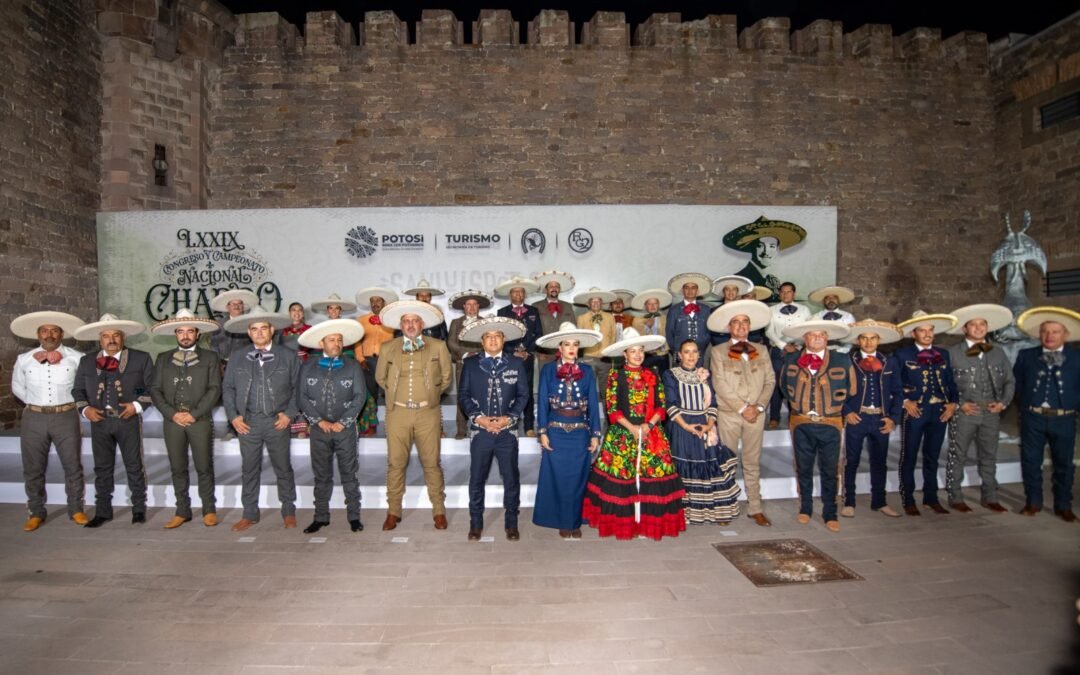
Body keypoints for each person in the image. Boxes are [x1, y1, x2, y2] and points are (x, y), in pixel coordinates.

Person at [582, 327, 686, 540]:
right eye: (633, 351)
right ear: (625, 354)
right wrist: (633, 429)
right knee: (623, 478)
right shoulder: (616, 375)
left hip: (651, 433)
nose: (638, 355)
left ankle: (647, 523)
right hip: (623, 434)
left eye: (640, 350)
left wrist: (648, 426)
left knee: (653, 476)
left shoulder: (653, 374)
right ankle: (628, 523)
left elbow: (661, 405)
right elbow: (612, 407)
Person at [375, 300, 453, 531]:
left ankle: (439, 511)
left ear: (422, 324)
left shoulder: (438, 346)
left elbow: (447, 378)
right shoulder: (388, 347)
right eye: (406, 321)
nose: (410, 325)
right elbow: (380, 378)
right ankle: (393, 512)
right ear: (401, 324)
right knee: (395, 464)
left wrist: (430, 396)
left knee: (432, 463)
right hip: (397, 413)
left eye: (414, 320)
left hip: (427, 413)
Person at [221, 306, 299, 531]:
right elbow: (228, 389)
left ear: (272, 329)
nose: (259, 333)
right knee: (249, 468)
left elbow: (298, 388)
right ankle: (249, 513)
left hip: (277, 421)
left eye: (263, 328)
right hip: (248, 422)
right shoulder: (237, 357)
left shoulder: (288, 356)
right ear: (248, 332)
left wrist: (289, 414)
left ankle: (288, 511)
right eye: (254, 329)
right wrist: (233, 416)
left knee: (283, 467)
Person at [72, 313, 154, 528]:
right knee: (102, 468)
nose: (111, 340)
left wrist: (136, 405)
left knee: (134, 466)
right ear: (100, 339)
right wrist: (85, 409)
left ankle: (138, 509)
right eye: (106, 336)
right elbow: (78, 390)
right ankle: (103, 511)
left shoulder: (140, 358)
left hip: (127, 420)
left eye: (116, 335)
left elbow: (148, 388)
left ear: (123, 337)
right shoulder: (87, 361)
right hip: (99, 422)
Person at [10, 311, 88, 531]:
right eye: (45, 330)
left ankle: (76, 509)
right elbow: (17, 387)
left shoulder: (76, 357)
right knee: (33, 467)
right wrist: (36, 403)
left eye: (54, 330)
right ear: (38, 334)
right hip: (34, 417)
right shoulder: (24, 359)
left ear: (61, 334)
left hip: (66, 415)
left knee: (72, 465)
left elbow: (82, 386)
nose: (49, 334)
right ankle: (36, 511)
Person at [778, 319, 855, 532]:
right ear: (805, 338)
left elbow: (852, 389)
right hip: (801, 421)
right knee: (803, 467)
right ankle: (805, 508)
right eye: (812, 335)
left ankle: (830, 512)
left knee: (831, 469)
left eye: (821, 335)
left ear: (827, 338)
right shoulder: (792, 359)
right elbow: (784, 387)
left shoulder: (842, 360)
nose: (817, 338)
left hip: (830, 422)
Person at [458, 317, 530, 541]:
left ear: (503, 339)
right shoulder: (470, 364)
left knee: (511, 478)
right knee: (477, 478)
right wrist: (479, 419)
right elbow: (463, 396)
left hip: (508, 432)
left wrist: (509, 418)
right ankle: (476, 524)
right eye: (488, 337)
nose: (492, 340)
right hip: (481, 432)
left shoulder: (516, 363)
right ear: (481, 341)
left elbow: (523, 395)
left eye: (497, 336)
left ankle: (511, 523)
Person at [149, 309, 222, 529]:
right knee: (177, 466)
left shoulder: (210, 357)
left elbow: (214, 389)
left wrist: (194, 413)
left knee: (204, 465)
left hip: (198, 419)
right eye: (181, 331)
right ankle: (182, 510)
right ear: (175, 334)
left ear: (197, 333)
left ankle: (209, 509)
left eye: (190, 331)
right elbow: (154, 389)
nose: (185, 335)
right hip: (173, 421)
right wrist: (172, 414)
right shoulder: (163, 358)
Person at [707, 299, 776, 526]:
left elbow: (770, 381)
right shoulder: (718, 352)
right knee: (726, 461)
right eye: (735, 322)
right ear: (729, 327)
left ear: (750, 326)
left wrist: (758, 407)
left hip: (756, 415)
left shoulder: (762, 350)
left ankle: (755, 507)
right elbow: (720, 384)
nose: (740, 326)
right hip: (730, 414)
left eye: (745, 322)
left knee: (752, 461)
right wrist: (742, 408)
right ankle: (725, 507)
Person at [296, 319, 368, 533]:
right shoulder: (308, 366)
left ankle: (354, 516)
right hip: (319, 430)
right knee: (321, 475)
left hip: (345, 431)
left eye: (339, 340)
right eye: (331, 340)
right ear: (322, 343)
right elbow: (302, 397)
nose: (336, 344)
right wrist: (319, 421)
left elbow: (359, 396)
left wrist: (343, 422)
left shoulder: (353, 365)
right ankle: (320, 517)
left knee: (350, 473)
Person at [532, 322, 603, 538]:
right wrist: (542, 431)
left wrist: (595, 434)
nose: (571, 348)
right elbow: (542, 401)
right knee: (558, 477)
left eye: (575, 344)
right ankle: (562, 521)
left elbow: (592, 402)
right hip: (555, 431)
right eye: (566, 344)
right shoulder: (547, 370)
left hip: (580, 432)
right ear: (559, 348)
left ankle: (574, 521)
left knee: (578, 478)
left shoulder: (588, 371)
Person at [944, 304, 1016, 513]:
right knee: (957, 454)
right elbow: (944, 384)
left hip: (991, 412)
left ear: (987, 327)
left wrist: (1003, 402)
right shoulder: (953, 353)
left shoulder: (998, 353)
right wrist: (959, 404)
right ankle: (955, 496)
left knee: (989, 455)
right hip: (965, 412)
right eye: (973, 325)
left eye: (982, 324)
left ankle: (990, 497)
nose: (978, 328)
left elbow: (1010, 381)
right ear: (965, 329)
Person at [663, 340, 741, 525]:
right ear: (679, 355)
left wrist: (709, 424)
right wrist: (686, 426)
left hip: (704, 424)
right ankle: (683, 513)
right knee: (683, 467)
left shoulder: (705, 375)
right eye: (686, 352)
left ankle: (717, 512)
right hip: (681, 425)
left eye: (694, 352)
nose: (691, 356)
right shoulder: (670, 375)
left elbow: (713, 403)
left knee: (710, 465)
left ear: (699, 354)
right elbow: (671, 404)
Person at [1013, 306, 1080, 522]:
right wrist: (1025, 408)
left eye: (1055, 332)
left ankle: (1063, 505)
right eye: (1045, 331)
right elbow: (1018, 385)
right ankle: (1033, 502)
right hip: (1033, 418)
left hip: (1064, 418)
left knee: (1064, 463)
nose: (1049, 336)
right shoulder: (1026, 356)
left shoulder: (1077, 357)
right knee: (1031, 461)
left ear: (1066, 334)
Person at [894, 310, 959, 516]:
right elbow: (893, 383)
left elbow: (950, 382)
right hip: (916, 411)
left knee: (932, 456)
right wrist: (904, 402)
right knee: (909, 456)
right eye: (922, 331)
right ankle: (908, 498)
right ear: (914, 333)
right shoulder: (902, 355)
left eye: (930, 330)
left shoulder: (944, 354)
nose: (927, 334)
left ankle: (931, 498)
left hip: (939, 411)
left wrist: (953, 403)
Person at [840, 319, 904, 518]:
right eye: (864, 339)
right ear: (858, 340)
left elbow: (898, 391)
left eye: (873, 338)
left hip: (880, 419)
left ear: (879, 340)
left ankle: (880, 501)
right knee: (852, 460)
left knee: (880, 461)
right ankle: (849, 500)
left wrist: (893, 418)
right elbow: (838, 391)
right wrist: (847, 411)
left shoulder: (889, 362)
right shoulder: (848, 361)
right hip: (857, 418)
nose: (868, 343)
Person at [495, 275, 542, 436]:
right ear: (510, 295)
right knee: (508, 391)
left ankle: (529, 426)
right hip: (509, 358)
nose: (518, 295)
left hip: (527, 358)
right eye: (515, 292)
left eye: (521, 292)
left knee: (527, 392)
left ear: (525, 294)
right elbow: (499, 336)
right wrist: (513, 351)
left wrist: (527, 351)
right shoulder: (502, 312)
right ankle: (508, 424)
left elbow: (539, 335)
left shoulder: (534, 311)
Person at [722, 215, 807, 303]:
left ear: (777, 249)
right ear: (751, 248)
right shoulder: (739, 280)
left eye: (772, 246)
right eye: (760, 246)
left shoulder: (773, 279)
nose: (766, 252)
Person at [764, 282, 812, 429]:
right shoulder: (770, 310)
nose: (786, 294)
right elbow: (769, 331)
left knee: (797, 384)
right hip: (778, 351)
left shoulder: (805, 310)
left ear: (794, 293)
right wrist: (784, 346)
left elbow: (809, 330)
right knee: (777, 384)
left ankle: (795, 415)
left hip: (799, 351)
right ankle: (774, 417)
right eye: (783, 292)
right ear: (779, 294)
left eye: (789, 292)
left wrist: (798, 345)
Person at [447, 290, 493, 439]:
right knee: (462, 397)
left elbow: (489, 342)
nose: (472, 308)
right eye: (469, 305)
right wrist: (466, 354)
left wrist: (477, 354)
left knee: (482, 395)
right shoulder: (456, 322)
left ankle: (482, 426)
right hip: (462, 364)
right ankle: (461, 429)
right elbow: (451, 343)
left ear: (478, 306)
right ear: (464, 307)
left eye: (474, 305)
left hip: (481, 365)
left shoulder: (485, 322)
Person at [355, 286, 398, 412]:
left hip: (387, 361)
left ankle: (392, 421)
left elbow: (397, 340)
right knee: (370, 392)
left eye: (378, 300)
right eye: (372, 301)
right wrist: (360, 359)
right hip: (368, 361)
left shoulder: (392, 320)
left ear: (384, 302)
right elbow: (357, 341)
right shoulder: (361, 320)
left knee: (389, 392)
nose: (375, 303)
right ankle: (371, 423)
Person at [279, 302, 312, 438]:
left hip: (304, 365)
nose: (296, 313)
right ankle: (286, 424)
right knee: (286, 395)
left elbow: (315, 349)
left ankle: (303, 427)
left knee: (303, 394)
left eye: (299, 310)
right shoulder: (281, 330)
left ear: (303, 314)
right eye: (293, 310)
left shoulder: (310, 329)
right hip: (286, 366)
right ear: (289, 313)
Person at [574, 287, 618, 391]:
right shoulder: (582, 318)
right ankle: (590, 407)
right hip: (589, 357)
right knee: (588, 388)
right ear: (588, 304)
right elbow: (579, 339)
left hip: (605, 358)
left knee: (606, 389)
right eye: (592, 301)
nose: (595, 304)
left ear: (602, 303)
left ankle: (607, 407)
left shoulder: (610, 317)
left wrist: (608, 352)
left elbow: (613, 336)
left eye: (598, 301)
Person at [665, 272, 712, 356]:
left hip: (699, 352)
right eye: (687, 288)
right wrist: (676, 349)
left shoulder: (706, 309)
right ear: (682, 290)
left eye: (693, 288)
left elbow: (708, 331)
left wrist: (703, 343)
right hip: (680, 353)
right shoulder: (674, 310)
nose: (690, 291)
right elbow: (669, 333)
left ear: (697, 291)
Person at [209, 289, 258, 365]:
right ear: (227, 307)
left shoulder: (250, 322)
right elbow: (214, 346)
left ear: (243, 306)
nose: (236, 306)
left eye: (239, 303)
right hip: (223, 365)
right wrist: (217, 364)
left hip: (247, 363)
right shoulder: (219, 324)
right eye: (233, 304)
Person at [631, 289, 672, 374]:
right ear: (645, 306)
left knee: (664, 378)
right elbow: (636, 338)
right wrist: (647, 326)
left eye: (655, 303)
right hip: (647, 356)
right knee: (647, 379)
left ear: (659, 305)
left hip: (663, 355)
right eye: (649, 304)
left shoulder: (665, 318)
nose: (652, 306)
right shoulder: (637, 320)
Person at [809, 286, 857, 353]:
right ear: (823, 301)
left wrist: (842, 351)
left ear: (839, 300)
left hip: (843, 353)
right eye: (827, 298)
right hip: (820, 353)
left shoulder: (848, 316)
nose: (831, 300)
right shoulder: (815, 317)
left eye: (834, 298)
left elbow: (852, 336)